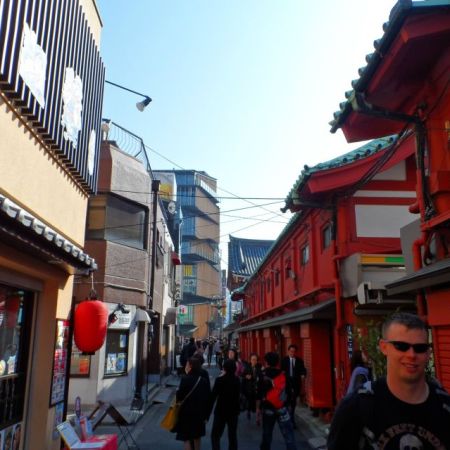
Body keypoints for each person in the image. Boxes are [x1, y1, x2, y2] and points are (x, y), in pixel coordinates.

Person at [327, 312, 450, 449]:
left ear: (428, 354)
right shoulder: (355, 408)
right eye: (401, 346)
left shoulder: (444, 406)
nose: (411, 355)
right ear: (384, 347)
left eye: (419, 348)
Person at [257, 352, 297, 450]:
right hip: (282, 407)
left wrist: (258, 409)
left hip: (268, 408)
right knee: (288, 436)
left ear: (267, 362)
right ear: (277, 362)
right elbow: (289, 392)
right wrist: (289, 406)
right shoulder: (284, 374)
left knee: (267, 435)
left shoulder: (262, 374)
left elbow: (259, 393)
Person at [174, 357, 211, 450]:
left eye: (187, 364)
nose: (185, 366)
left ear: (190, 366)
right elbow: (208, 399)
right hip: (199, 414)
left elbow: (179, 397)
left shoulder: (185, 379)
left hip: (186, 414)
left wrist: (178, 391)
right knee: (197, 437)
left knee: (186, 438)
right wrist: (207, 415)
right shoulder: (203, 381)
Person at [208, 359, 241, 450]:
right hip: (233, 411)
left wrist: (207, 413)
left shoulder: (219, 380)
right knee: (232, 435)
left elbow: (213, 397)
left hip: (220, 411)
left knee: (215, 435)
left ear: (224, 368)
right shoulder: (237, 380)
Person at [280, 344, 307, 428]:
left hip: (296, 383)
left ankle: (292, 418)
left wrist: (303, 375)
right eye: (291, 351)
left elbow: (303, 370)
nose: (292, 353)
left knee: (294, 401)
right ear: (288, 351)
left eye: (294, 351)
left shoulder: (299, 360)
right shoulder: (284, 360)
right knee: (287, 401)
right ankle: (286, 416)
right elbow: (281, 371)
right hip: (287, 383)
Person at [242, 353, 263, 421]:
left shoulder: (260, 367)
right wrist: (246, 376)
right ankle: (248, 411)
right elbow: (242, 375)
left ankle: (257, 418)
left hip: (258, 388)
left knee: (258, 403)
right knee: (250, 403)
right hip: (250, 389)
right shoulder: (247, 367)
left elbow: (263, 376)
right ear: (250, 360)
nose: (254, 361)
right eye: (253, 360)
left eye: (255, 360)